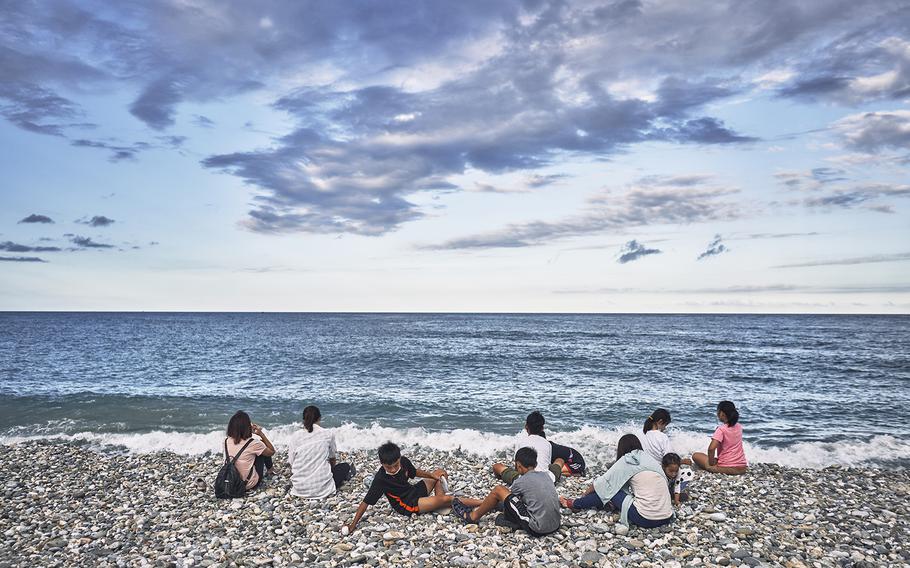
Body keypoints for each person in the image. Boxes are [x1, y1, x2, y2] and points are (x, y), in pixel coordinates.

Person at [345, 442, 481, 534]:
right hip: (407, 504)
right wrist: (353, 524)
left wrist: (432, 476)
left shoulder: (403, 462)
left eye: (396, 465)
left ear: (399, 458)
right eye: (388, 467)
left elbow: (415, 473)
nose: (393, 469)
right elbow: (365, 502)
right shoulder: (380, 479)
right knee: (449, 499)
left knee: (440, 473)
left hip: (413, 491)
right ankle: (482, 502)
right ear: (382, 464)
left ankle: (440, 503)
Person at [559, 434, 674, 528]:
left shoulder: (629, 459)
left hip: (645, 519)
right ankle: (605, 504)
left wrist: (584, 495)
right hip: (667, 517)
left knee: (609, 489)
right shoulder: (649, 459)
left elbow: (602, 483)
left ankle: (574, 504)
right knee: (612, 491)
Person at [451, 447, 560, 537]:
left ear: (518, 465)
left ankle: (472, 516)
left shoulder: (521, 481)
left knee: (499, 490)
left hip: (538, 528)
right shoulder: (546, 476)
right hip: (556, 525)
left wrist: (488, 503)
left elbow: (507, 500)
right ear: (535, 464)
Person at [287, 405, 355, 498]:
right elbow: (332, 459)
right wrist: (330, 470)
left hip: (300, 489)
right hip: (323, 490)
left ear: (304, 419)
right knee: (345, 466)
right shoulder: (328, 434)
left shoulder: (296, 436)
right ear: (319, 418)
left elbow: (292, 462)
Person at [492, 412, 563, 485]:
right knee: (559, 460)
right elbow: (548, 464)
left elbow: (518, 467)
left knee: (497, 466)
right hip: (548, 480)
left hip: (524, 480)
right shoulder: (547, 444)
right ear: (542, 428)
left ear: (526, 427)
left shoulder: (521, 442)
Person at [692, 401, 748, 475]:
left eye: (717, 412)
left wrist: (711, 463)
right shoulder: (739, 426)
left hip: (726, 467)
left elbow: (711, 449)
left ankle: (716, 467)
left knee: (696, 455)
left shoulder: (721, 429)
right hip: (742, 467)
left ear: (722, 414)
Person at [224, 410, 275, 491]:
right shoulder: (253, 443)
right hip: (247, 484)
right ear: (247, 427)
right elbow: (272, 451)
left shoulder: (226, 441)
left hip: (229, 482)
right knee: (262, 448)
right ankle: (270, 470)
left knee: (252, 452)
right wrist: (261, 434)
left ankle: (269, 470)